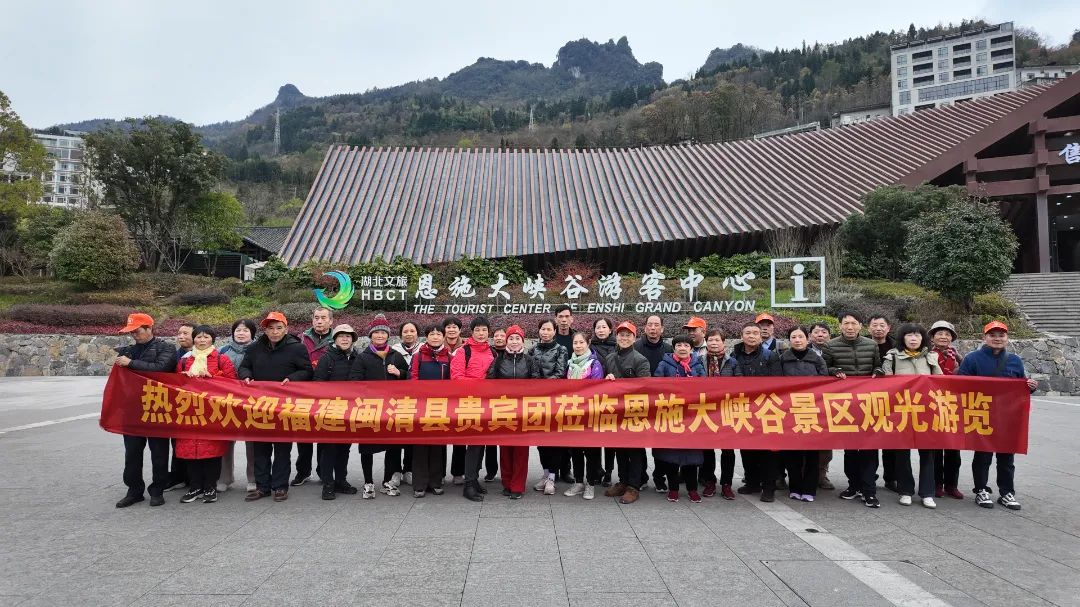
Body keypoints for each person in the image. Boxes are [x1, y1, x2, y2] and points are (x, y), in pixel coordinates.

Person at [957, 321, 1038, 511]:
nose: (997, 338)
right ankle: (981, 490)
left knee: (1006, 457)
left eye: (1001, 335)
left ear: (1007, 338)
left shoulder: (1015, 360)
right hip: (982, 414)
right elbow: (960, 385)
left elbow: (1021, 386)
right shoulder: (972, 359)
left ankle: (1007, 492)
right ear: (984, 337)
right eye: (992, 335)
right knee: (982, 455)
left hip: (1008, 416)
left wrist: (1030, 387)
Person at [238, 311, 313, 503]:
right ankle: (262, 486)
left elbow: (306, 370)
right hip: (259, 406)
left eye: (279, 328)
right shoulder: (255, 348)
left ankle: (280, 486)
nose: (274, 332)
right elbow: (244, 367)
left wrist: (292, 378)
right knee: (260, 449)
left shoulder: (296, 348)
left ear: (286, 329)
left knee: (282, 449)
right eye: (270, 328)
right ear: (265, 330)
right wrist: (246, 376)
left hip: (284, 406)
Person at [112, 313, 177, 508]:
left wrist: (130, 364)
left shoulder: (166, 348)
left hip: (157, 407)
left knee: (159, 452)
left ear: (149, 328)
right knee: (131, 453)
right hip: (132, 409)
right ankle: (134, 490)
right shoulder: (127, 351)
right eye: (131, 332)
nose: (134, 335)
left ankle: (157, 489)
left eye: (137, 331)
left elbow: (161, 368)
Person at [821, 312, 884, 508]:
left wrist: (877, 372)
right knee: (850, 449)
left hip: (867, 404)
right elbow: (824, 369)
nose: (849, 327)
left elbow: (878, 366)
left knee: (869, 449)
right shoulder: (830, 346)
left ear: (860, 326)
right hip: (844, 405)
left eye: (853, 323)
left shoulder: (871, 345)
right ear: (840, 326)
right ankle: (853, 485)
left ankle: (869, 490)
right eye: (846, 323)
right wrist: (833, 371)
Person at [349, 313, 409, 498]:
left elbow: (408, 378)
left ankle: (386, 481)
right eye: (376, 333)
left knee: (393, 447)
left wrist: (399, 373)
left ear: (388, 335)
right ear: (371, 336)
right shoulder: (363, 357)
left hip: (391, 410)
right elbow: (354, 381)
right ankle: (368, 482)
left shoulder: (396, 356)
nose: (380, 336)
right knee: (366, 447)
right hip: (369, 410)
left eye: (383, 333)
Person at [882, 323, 941, 509]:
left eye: (917, 335)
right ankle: (905, 490)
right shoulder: (892, 357)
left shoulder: (931, 357)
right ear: (903, 338)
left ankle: (927, 493)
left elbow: (941, 383)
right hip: (902, 412)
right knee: (902, 453)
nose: (913, 339)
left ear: (923, 338)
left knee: (928, 453)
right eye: (909, 335)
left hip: (926, 412)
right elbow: (885, 384)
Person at [175, 325, 236, 504]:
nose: (202, 340)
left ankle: (210, 487)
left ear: (212, 339)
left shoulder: (221, 359)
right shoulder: (185, 361)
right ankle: (195, 487)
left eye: (206, 337)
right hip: (189, 412)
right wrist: (182, 378)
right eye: (199, 337)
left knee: (212, 451)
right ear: (193, 339)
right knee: (189, 451)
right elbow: (172, 384)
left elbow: (232, 383)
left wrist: (213, 377)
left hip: (212, 412)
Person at [726, 323, 782, 502]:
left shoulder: (770, 356)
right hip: (744, 408)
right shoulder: (735, 355)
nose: (752, 336)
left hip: (766, 408)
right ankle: (752, 482)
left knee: (768, 450)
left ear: (761, 337)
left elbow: (777, 382)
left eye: (755, 333)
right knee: (747, 448)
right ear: (742, 336)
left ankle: (769, 487)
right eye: (748, 333)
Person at [487, 324, 541, 499]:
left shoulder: (530, 361)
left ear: (523, 341)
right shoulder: (499, 360)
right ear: (506, 341)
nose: (514, 341)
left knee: (520, 451)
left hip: (523, 412)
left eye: (518, 338)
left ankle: (517, 486)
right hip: (503, 411)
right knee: (505, 450)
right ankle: (507, 483)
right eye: (511, 338)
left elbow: (537, 383)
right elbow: (489, 381)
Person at [603, 321, 652, 505]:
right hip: (616, 411)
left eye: (628, 335)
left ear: (634, 337)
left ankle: (634, 486)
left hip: (635, 411)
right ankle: (623, 481)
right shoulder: (610, 358)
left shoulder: (640, 360)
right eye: (621, 335)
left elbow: (645, 386)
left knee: (635, 450)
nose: (624, 338)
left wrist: (620, 382)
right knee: (619, 449)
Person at [778, 326, 828, 502]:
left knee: (812, 453)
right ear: (789, 339)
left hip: (811, 410)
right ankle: (795, 487)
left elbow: (825, 383)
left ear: (807, 339)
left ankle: (809, 489)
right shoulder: (783, 359)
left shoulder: (817, 359)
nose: (797, 340)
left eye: (800, 336)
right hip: (789, 411)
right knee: (792, 454)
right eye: (793, 337)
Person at [654, 335, 706, 503]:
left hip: (692, 417)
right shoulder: (664, 364)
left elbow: (707, 387)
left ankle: (692, 489)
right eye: (679, 345)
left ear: (691, 349)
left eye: (686, 345)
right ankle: (673, 489)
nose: (682, 348)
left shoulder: (698, 366)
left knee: (691, 457)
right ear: (674, 348)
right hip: (671, 416)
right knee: (672, 457)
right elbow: (656, 386)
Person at [450, 316, 496, 502]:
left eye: (484, 330)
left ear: (488, 332)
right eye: (477, 330)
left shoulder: (492, 352)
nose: (481, 333)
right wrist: (481, 385)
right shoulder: (463, 351)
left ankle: (474, 479)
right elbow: (457, 377)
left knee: (481, 443)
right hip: (469, 403)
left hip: (487, 403)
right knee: (473, 444)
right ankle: (468, 484)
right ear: (472, 332)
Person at [313, 324, 361, 500]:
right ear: (335, 339)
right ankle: (328, 483)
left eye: (349, 336)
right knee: (329, 449)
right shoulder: (327, 358)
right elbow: (318, 382)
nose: (345, 339)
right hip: (330, 410)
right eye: (341, 336)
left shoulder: (358, 357)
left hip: (350, 411)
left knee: (344, 448)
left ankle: (341, 480)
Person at [410, 324, 452, 497]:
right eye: (431, 334)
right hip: (421, 406)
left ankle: (435, 482)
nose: (435, 337)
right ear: (426, 337)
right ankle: (419, 484)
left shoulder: (449, 357)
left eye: (438, 334)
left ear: (443, 337)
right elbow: (413, 378)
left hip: (441, 408)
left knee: (437, 446)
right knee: (420, 446)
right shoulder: (418, 356)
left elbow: (452, 381)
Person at [294, 307, 334, 487]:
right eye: (316, 317)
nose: (319, 321)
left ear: (331, 321)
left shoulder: (338, 338)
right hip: (304, 392)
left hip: (327, 394)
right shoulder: (301, 339)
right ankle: (303, 471)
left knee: (325, 434)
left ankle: (323, 471)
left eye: (323, 318)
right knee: (304, 433)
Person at [218, 318, 257, 492]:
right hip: (226, 402)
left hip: (252, 403)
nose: (241, 333)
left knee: (253, 442)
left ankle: (253, 478)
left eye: (245, 330)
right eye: (238, 330)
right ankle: (224, 478)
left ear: (252, 333)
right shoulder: (222, 351)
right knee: (225, 441)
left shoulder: (259, 350)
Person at [564, 331, 604, 500]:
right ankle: (578, 481)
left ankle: (591, 483)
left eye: (581, 342)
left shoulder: (594, 364)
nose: (578, 346)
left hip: (590, 414)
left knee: (591, 452)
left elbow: (596, 389)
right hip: (573, 414)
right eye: (575, 343)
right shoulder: (570, 364)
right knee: (575, 451)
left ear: (588, 344)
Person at [531, 318, 569, 495]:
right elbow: (530, 374)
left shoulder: (561, 350)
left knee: (554, 441)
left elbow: (560, 373)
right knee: (540, 442)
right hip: (537, 402)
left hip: (554, 400)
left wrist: (543, 387)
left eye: (548, 329)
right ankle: (545, 474)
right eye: (542, 329)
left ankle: (552, 478)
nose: (545, 332)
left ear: (554, 331)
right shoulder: (532, 350)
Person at [929, 320, 965, 500]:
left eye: (947, 334)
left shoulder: (957, 356)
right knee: (935, 449)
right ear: (932, 337)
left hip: (953, 405)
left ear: (952, 338)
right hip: (933, 405)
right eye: (939, 333)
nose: (943, 337)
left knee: (953, 449)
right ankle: (936, 484)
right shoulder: (927, 354)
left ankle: (952, 485)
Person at [636, 314, 671, 491]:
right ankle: (641, 476)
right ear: (645, 327)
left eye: (656, 325)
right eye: (650, 324)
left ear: (662, 329)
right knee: (639, 441)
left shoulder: (668, 349)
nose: (653, 328)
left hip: (662, 403)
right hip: (639, 402)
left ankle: (659, 476)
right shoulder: (636, 347)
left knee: (661, 442)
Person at [385, 321, 421, 491]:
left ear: (417, 334)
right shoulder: (392, 352)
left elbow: (414, 375)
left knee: (412, 437)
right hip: (394, 402)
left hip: (415, 402)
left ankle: (409, 469)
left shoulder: (423, 351)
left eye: (412, 331)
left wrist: (401, 373)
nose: (408, 334)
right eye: (405, 331)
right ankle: (394, 471)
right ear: (400, 335)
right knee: (394, 437)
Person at [702, 329, 736, 499]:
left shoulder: (732, 362)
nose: (714, 343)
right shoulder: (699, 360)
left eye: (717, 340)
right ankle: (709, 482)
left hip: (726, 410)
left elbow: (743, 385)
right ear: (706, 341)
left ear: (724, 342)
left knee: (728, 450)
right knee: (707, 449)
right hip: (706, 410)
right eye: (711, 340)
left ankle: (727, 484)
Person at [868, 314, 898, 493]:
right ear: (868, 327)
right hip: (866, 398)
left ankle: (891, 477)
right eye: (875, 325)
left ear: (888, 328)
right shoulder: (863, 344)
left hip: (891, 399)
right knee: (869, 441)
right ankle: (870, 476)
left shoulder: (896, 347)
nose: (878, 328)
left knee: (891, 441)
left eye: (882, 325)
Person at [165, 322, 194, 492]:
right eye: (179, 333)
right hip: (176, 405)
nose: (181, 336)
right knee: (176, 441)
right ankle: (177, 476)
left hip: (196, 406)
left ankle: (193, 477)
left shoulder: (203, 356)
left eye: (186, 333)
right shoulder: (173, 356)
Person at [590, 318, 618, 487]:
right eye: (598, 327)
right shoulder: (590, 347)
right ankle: (597, 469)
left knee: (609, 439)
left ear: (610, 330)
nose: (601, 330)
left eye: (604, 327)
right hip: (593, 398)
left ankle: (608, 472)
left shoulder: (617, 346)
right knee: (594, 439)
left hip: (611, 398)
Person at [808, 322, 835, 490]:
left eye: (824, 332)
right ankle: (804, 474)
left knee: (825, 440)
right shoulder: (803, 350)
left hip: (829, 402)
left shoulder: (836, 350)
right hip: (806, 402)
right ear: (810, 336)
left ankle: (822, 474)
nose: (820, 335)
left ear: (829, 336)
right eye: (816, 332)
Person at [443, 316, 468, 485]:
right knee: (440, 435)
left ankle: (458, 472)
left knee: (461, 436)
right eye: (448, 327)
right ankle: (439, 473)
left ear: (460, 330)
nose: (451, 330)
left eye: (455, 327)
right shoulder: (436, 346)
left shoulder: (466, 348)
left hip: (461, 399)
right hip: (441, 400)